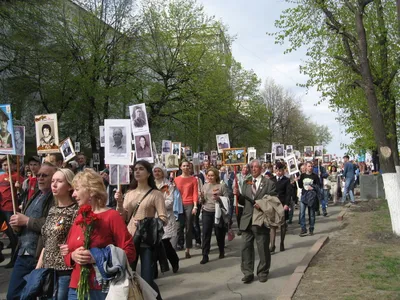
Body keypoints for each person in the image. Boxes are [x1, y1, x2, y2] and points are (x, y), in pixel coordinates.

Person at [63, 168, 136, 300]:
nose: (73, 194)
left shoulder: (111, 216)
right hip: (76, 287)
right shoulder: (80, 216)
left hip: (102, 289)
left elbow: (129, 252)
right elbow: (67, 252)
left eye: (77, 189)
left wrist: (97, 257)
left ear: (91, 190)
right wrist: (73, 256)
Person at [115, 160, 167, 300]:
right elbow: (122, 218)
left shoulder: (156, 194)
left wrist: (146, 222)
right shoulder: (129, 194)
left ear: (148, 173)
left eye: (141, 169)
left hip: (146, 240)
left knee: (147, 280)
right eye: (135, 169)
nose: (137, 171)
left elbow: (163, 219)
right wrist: (119, 203)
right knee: (129, 276)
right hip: (130, 239)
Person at [7, 162, 57, 299]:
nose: (40, 178)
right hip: (23, 252)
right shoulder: (36, 195)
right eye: (38, 175)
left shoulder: (56, 199)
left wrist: (26, 221)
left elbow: (52, 224)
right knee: (13, 295)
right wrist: (17, 226)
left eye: (44, 175)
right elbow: (24, 220)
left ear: (53, 178)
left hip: (38, 254)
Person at [36, 169, 78, 299]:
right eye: (53, 181)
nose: (54, 185)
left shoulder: (75, 211)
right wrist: (38, 266)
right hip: (47, 269)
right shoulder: (52, 210)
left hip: (64, 270)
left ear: (70, 186)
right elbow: (46, 241)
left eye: (59, 181)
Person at [236, 159, 276, 284]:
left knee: (263, 247)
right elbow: (243, 202)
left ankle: (263, 272)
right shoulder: (247, 182)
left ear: (261, 168)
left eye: (256, 167)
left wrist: (262, 204)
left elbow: (272, 200)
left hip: (260, 220)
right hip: (247, 220)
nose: (253, 169)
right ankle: (248, 272)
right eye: (251, 167)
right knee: (245, 247)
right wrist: (238, 195)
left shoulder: (268, 183)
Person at [152, 164, 180, 273]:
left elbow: (170, 202)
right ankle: (154, 269)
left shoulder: (168, 186)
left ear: (163, 172)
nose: (157, 173)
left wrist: (156, 204)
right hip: (152, 217)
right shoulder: (150, 185)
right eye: (155, 171)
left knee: (164, 243)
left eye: (159, 171)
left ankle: (174, 260)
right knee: (153, 244)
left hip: (165, 217)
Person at [199, 167, 229, 264]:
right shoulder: (204, 186)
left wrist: (219, 198)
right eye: (208, 175)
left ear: (216, 176)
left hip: (218, 212)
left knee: (219, 233)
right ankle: (205, 255)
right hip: (206, 211)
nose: (210, 177)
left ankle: (221, 250)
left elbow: (227, 199)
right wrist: (201, 198)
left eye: (212, 175)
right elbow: (202, 201)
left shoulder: (221, 186)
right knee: (206, 233)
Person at [0, 157, 24, 268]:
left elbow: (24, 191)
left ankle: (14, 260)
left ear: (14, 165)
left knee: (13, 237)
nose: (6, 167)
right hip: (1, 209)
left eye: (8, 164)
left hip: (11, 209)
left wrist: (18, 187)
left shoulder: (17, 177)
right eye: (4, 165)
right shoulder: (1, 177)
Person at [174, 160, 198, 259]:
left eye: (187, 166)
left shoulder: (193, 179)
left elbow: (195, 193)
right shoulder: (176, 179)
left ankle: (187, 249)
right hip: (178, 205)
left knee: (189, 227)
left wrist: (195, 206)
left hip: (189, 204)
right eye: (184, 166)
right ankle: (176, 246)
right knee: (178, 227)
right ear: (180, 167)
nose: (186, 167)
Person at [270, 162, 291, 252]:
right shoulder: (272, 179)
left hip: (282, 204)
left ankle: (282, 242)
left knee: (282, 225)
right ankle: (272, 245)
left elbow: (288, 193)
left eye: (280, 170)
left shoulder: (286, 180)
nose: (278, 172)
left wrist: (286, 204)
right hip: (273, 204)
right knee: (272, 225)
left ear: (283, 171)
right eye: (277, 170)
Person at [298, 161, 320, 236]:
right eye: (309, 166)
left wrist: (313, 187)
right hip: (304, 196)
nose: (310, 168)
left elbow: (319, 186)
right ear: (306, 167)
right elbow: (300, 186)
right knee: (302, 213)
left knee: (311, 214)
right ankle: (303, 228)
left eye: (311, 166)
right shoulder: (303, 175)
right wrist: (298, 180)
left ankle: (311, 228)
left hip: (311, 197)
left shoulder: (315, 176)